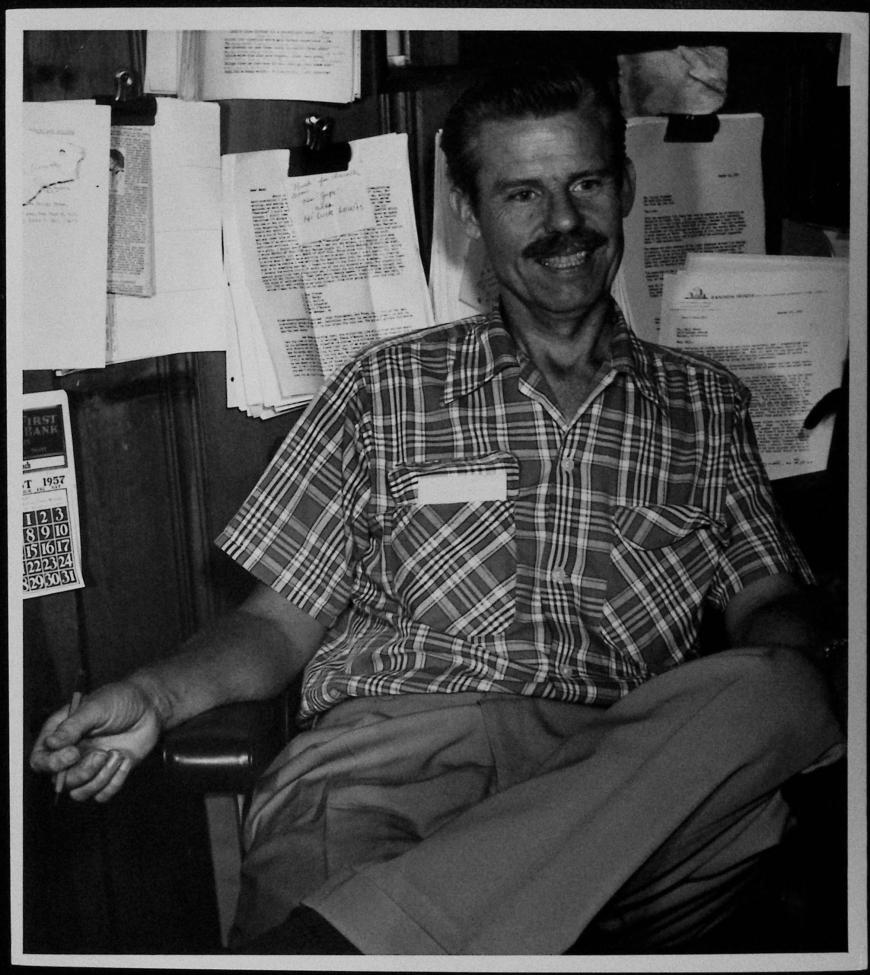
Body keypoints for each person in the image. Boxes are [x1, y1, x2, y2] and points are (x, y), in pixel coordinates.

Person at [30, 62, 846, 955]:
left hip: (622, 779)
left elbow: (769, 609)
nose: (563, 222)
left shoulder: (707, 405)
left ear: (624, 187)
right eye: (522, 194)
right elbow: (273, 625)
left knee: (782, 690)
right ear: (468, 211)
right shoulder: (382, 387)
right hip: (389, 769)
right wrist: (153, 693)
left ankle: (363, 938)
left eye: (585, 184)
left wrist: (814, 650)